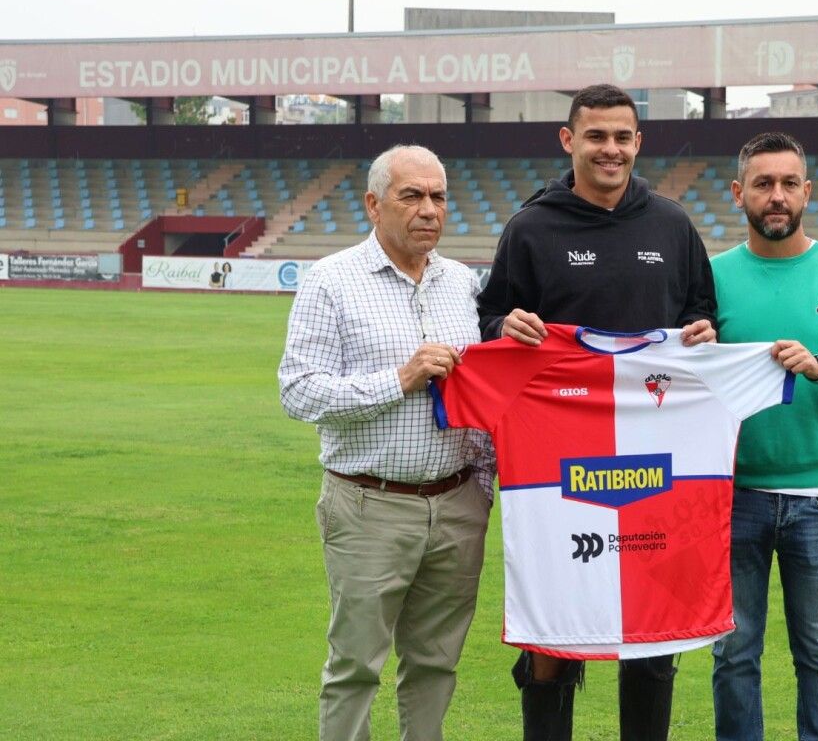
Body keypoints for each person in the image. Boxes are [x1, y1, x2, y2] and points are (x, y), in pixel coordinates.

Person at [477, 83, 717, 741]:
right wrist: (506, 324)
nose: (609, 149)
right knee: (552, 639)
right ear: (569, 140)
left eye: (621, 137)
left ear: (638, 142)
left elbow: (701, 313)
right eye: (596, 136)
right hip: (557, 465)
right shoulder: (531, 227)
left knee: (652, 636)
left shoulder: (671, 225)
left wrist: (701, 329)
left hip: (653, 464)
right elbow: (488, 318)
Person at [279, 144, 494, 741]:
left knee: (436, 663)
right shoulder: (332, 280)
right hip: (370, 503)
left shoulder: (461, 283)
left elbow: (479, 395)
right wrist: (399, 379)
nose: (429, 209)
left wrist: (483, 483)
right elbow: (298, 391)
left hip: (456, 504)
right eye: (412, 196)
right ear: (374, 204)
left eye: (438, 197)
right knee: (354, 666)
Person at [709, 132, 818, 741]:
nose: (776, 196)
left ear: (807, 191)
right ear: (739, 194)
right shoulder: (713, 278)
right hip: (734, 496)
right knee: (733, 653)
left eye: (788, 184)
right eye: (763, 184)